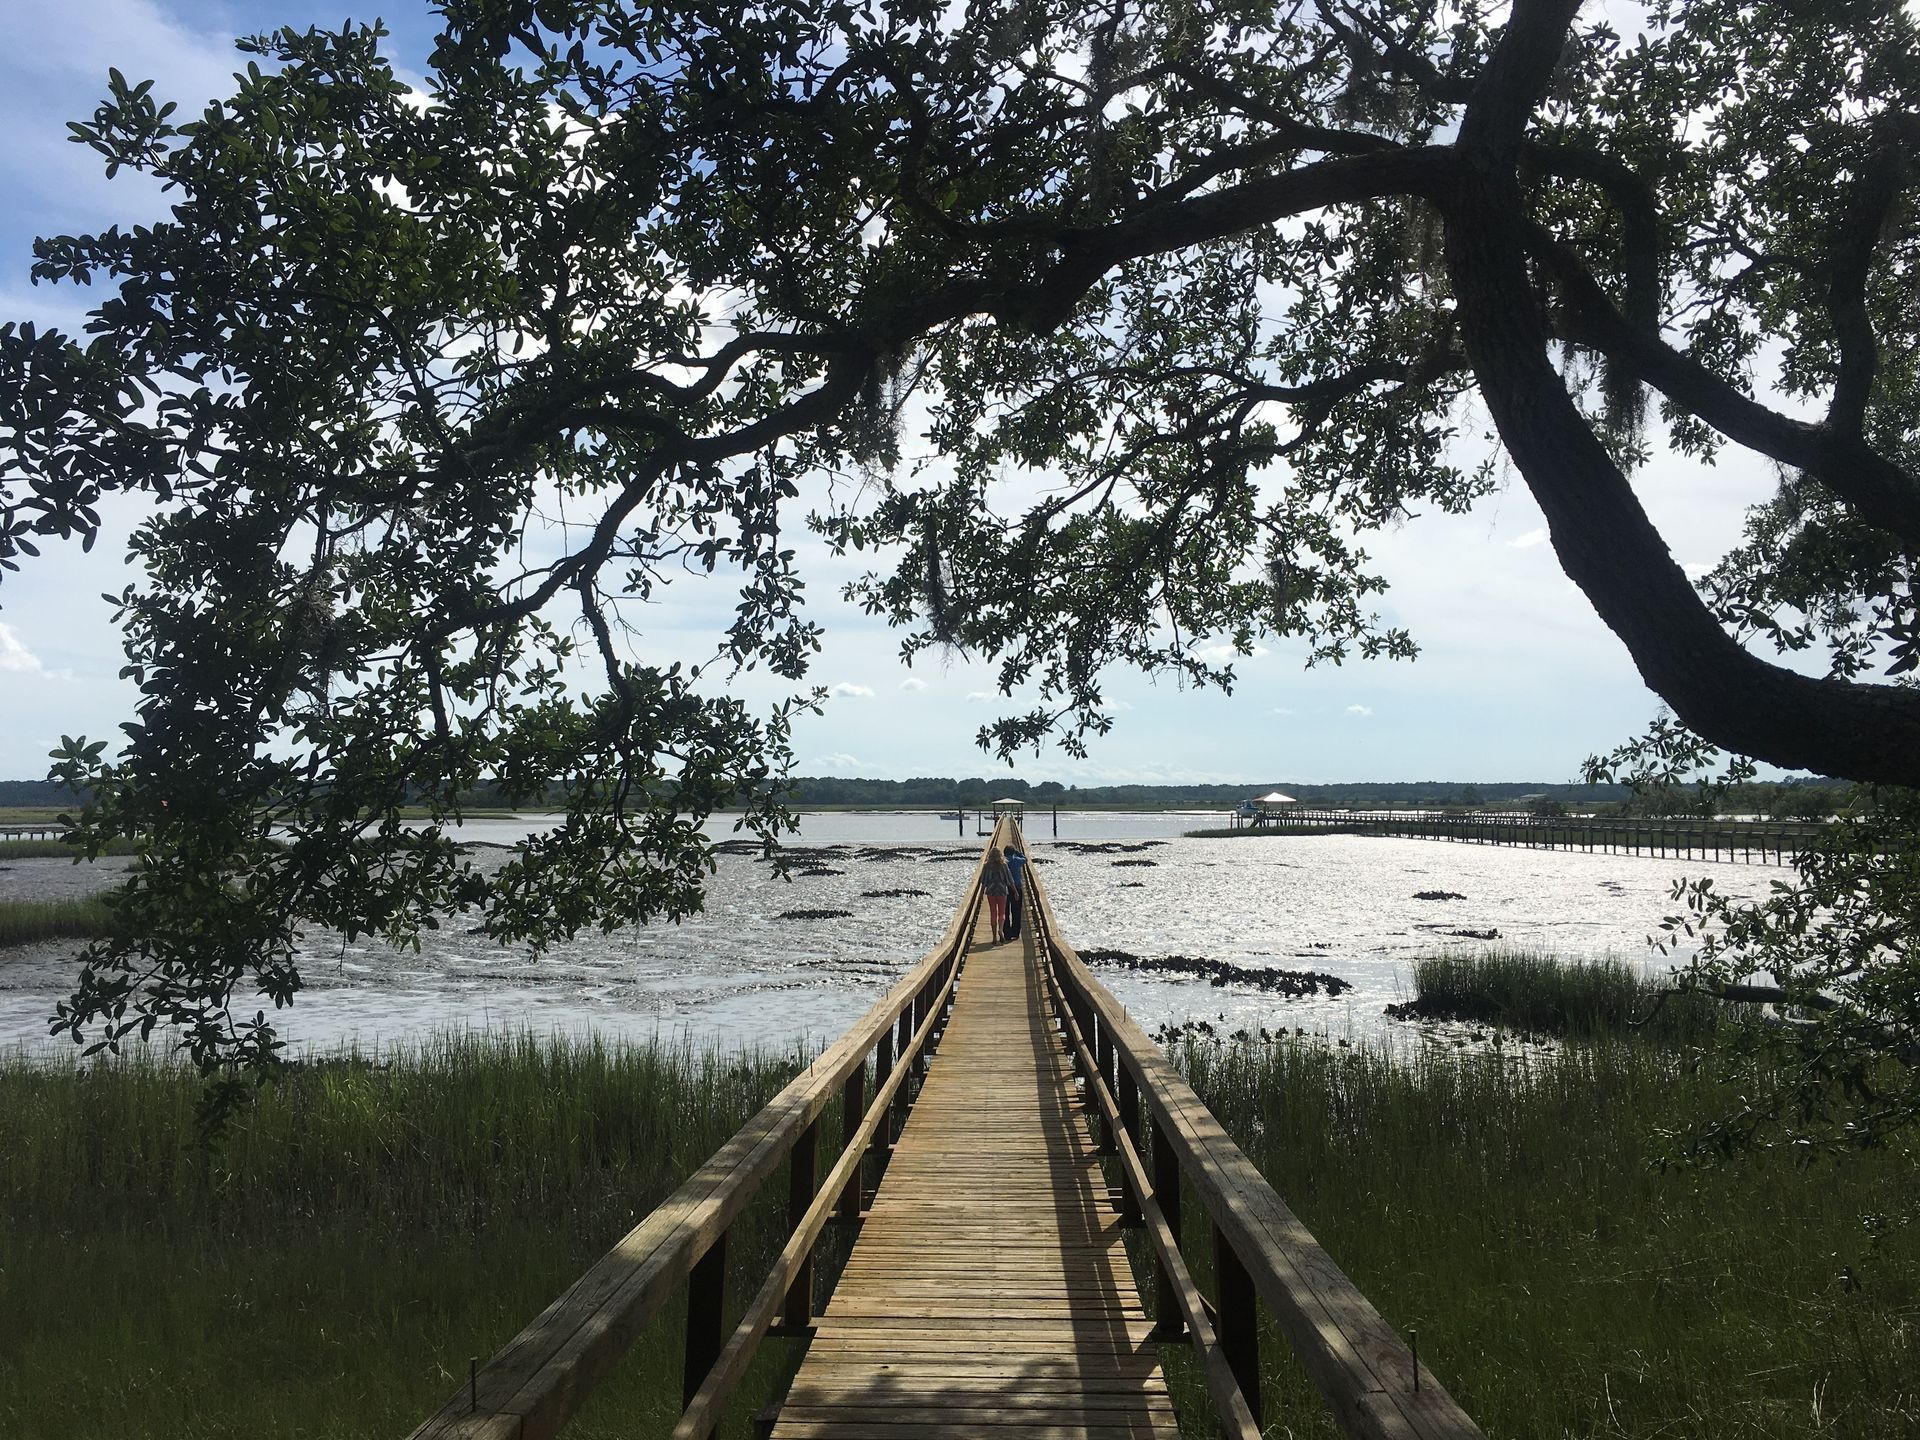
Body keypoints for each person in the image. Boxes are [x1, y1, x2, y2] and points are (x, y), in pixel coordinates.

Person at [981, 844, 1012, 942]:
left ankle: (994, 936)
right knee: (1002, 913)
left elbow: (984, 880)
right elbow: (1009, 879)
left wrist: (982, 892)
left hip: (991, 891)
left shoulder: (986, 865)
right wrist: (1015, 891)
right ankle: (1000, 930)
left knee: (993, 913)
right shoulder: (1004, 865)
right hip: (1002, 891)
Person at [1003, 844, 1028, 941]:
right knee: (1016, 910)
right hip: (1017, 888)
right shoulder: (1017, 860)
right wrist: (1018, 852)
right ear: (1013, 852)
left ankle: (1007, 933)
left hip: (1005, 889)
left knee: (1005, 911)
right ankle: (1015, 932)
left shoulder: (1003, 862)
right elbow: (1025, 859)